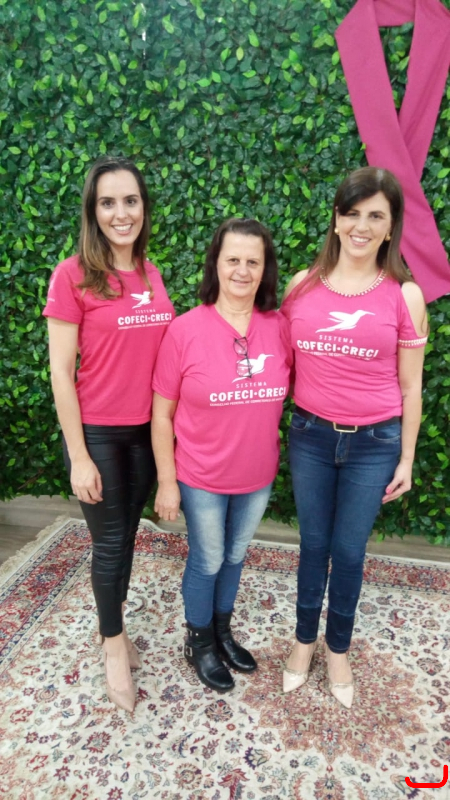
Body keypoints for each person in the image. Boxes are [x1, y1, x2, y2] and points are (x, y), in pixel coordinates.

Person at [281, 167, 427, 708]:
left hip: (374, 445)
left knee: (348, 550)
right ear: (337, 218)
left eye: (375, 216)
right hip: (311, 436)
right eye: (352, 213)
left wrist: (406, 457)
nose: (361, 226)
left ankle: (337, 648)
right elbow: (280, 363)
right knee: (313, 545)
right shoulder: (302, 285)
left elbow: (411, 387)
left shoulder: (405, 295)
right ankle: (303, 641)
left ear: (390, 228)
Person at [44, 156, 174, 712]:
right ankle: (114, 645)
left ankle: (112, 623)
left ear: (144, 208)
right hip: (98, 433)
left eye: (130, 201)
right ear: (92, 211)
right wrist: (78, 456)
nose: (121, 213)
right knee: (111, 541)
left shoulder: (150, 273)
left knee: (126, 536)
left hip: (147, 433)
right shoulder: (72, 275)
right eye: (108, 202)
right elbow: (60, 372)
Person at [151, 218, 292, 692]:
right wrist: (167, 482)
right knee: (208, 559)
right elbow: (162, 414)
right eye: (233, 259)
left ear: (265, 269)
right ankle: (199, 641)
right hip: (201, 476)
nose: (242, 270)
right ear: (215, 263)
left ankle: (222, 632)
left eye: (253, 261)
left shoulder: (279, 328)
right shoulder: (184, 330)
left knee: (234, 556)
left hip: (257, 475)